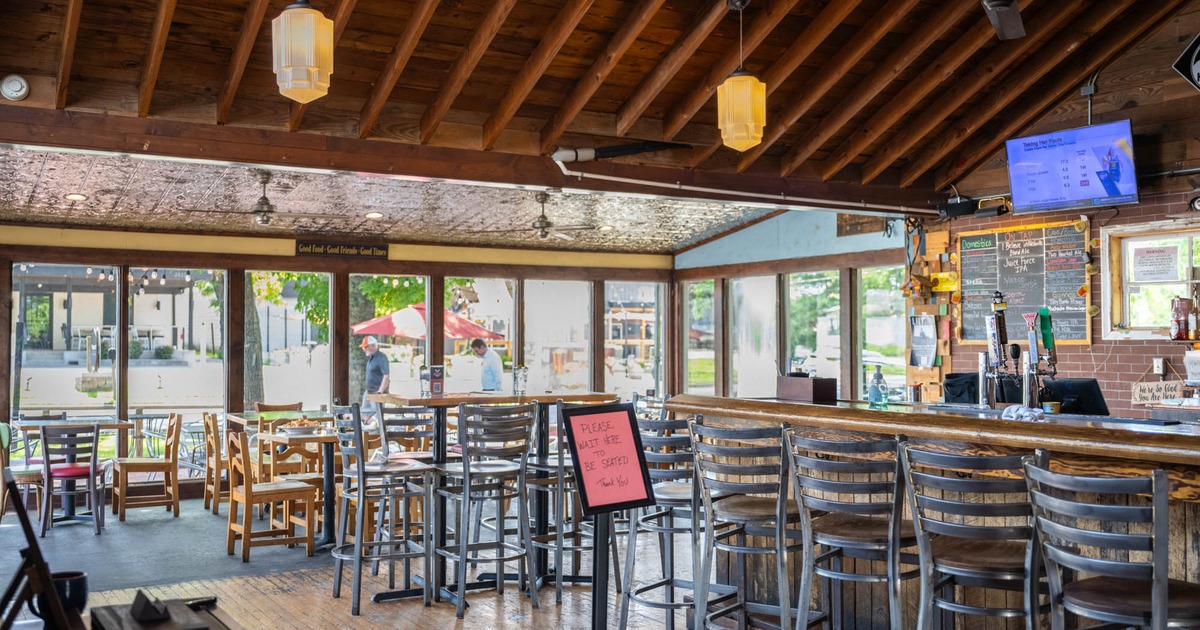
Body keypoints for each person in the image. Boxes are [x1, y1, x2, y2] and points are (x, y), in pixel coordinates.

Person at [360, 335, 389, 420]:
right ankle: (367, 426)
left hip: (377, 392)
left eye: (366, 347)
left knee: (377, 416)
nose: (364, 349)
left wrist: (380, 392)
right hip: (369, 391)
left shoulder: (381, 358)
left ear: (373, 345)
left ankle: (375, 427)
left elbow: (386, 376)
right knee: (364, 413)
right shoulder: (372, 358)